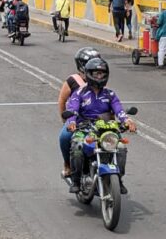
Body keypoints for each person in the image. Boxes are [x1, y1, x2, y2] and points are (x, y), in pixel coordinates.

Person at [65, 57, 137, 195]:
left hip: (106, 129)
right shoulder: (80, 93)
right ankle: (75, 180)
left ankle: (118, 179)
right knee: (77, 146)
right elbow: (72, 109)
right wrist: (72, 122)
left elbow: (119, 110)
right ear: (89, 74)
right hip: (84, 129)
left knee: (121, 147)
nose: (100, 76)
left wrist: (127, 121)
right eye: (96, 73)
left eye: (102, 73)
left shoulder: (110, 94)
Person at [58, 47, 101, 178]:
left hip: (98, 121)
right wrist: (65, 120)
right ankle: (67, 164)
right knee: (64, 137)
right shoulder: (72, 80)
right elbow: (62, 100)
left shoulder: (100, 78)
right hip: (78, 121)